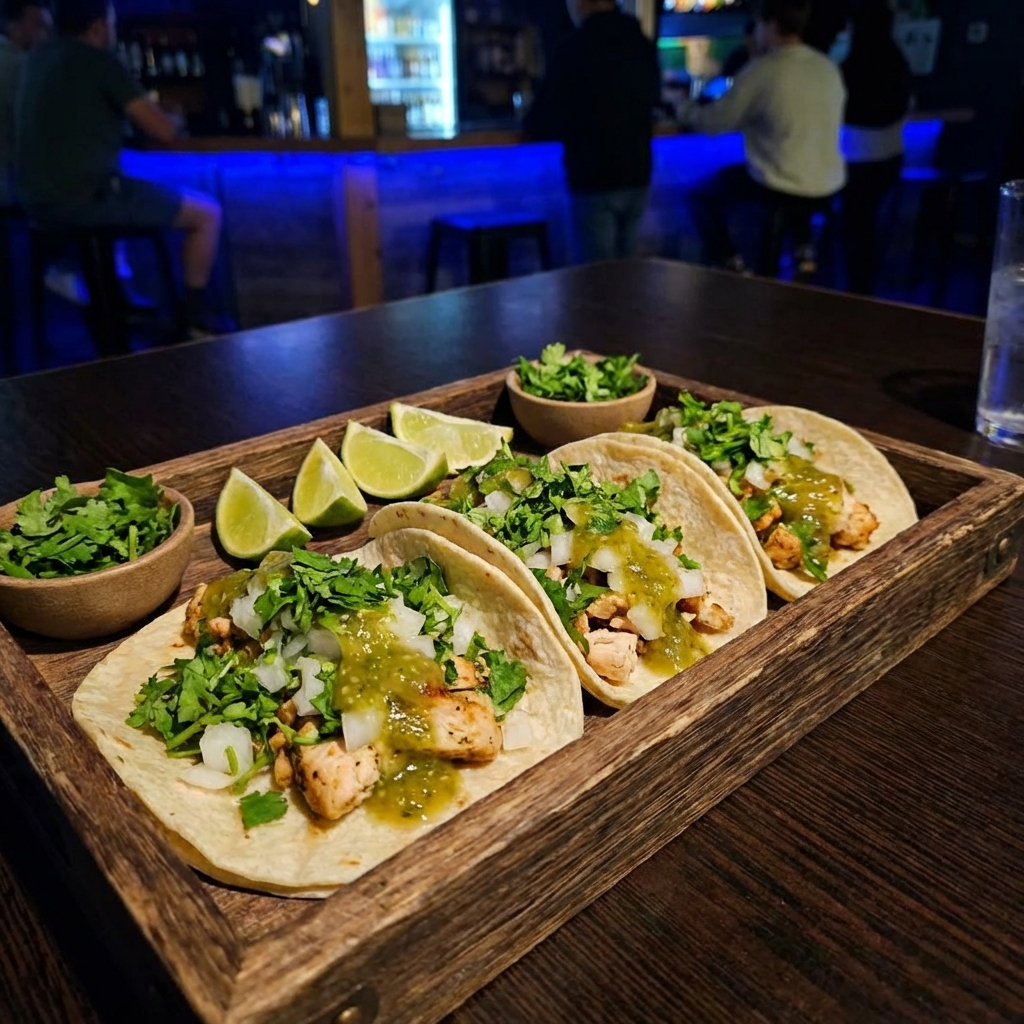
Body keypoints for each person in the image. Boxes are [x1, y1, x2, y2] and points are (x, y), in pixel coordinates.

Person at [15, 0, 221, 335]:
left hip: (35, 203)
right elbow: (164, 132)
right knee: (208, 213)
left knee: (118, 188)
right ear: (97, 27)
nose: (114, 30)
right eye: (111, 22)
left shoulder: (36, 59)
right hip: (87, 199)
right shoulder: (98, 60)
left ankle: (107, 296)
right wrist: (175, 119)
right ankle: (194, 322)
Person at [679, 0, 846, 276]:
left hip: (781, 183)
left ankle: (734, 265)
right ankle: (803, 254)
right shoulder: (827, 67)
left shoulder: (764, 70)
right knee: (792, 179)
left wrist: (683, 107)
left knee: (699, 195)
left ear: (770, 26)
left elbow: (714, 122)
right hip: (827, 183)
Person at [522, 0, 660, 264]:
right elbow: (653, 99)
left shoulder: (573, 48)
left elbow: (542, 122)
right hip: (638, 171)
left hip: (594, 174)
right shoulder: (641, 43)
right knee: (627, 273)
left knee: (596, 280)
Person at [841, 0, 911, 294]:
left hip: (853, 163)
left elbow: (838, 111)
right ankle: (861, 286)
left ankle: (851, 287)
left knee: (855, 224)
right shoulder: (898, 61)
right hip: (890, 162)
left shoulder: (849, 65)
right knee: (864, 225)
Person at [0, 0, 51, 206]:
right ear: (13, 25)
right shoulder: (24, 67)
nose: (46, 33)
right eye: (38, 24)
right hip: (10, 182)